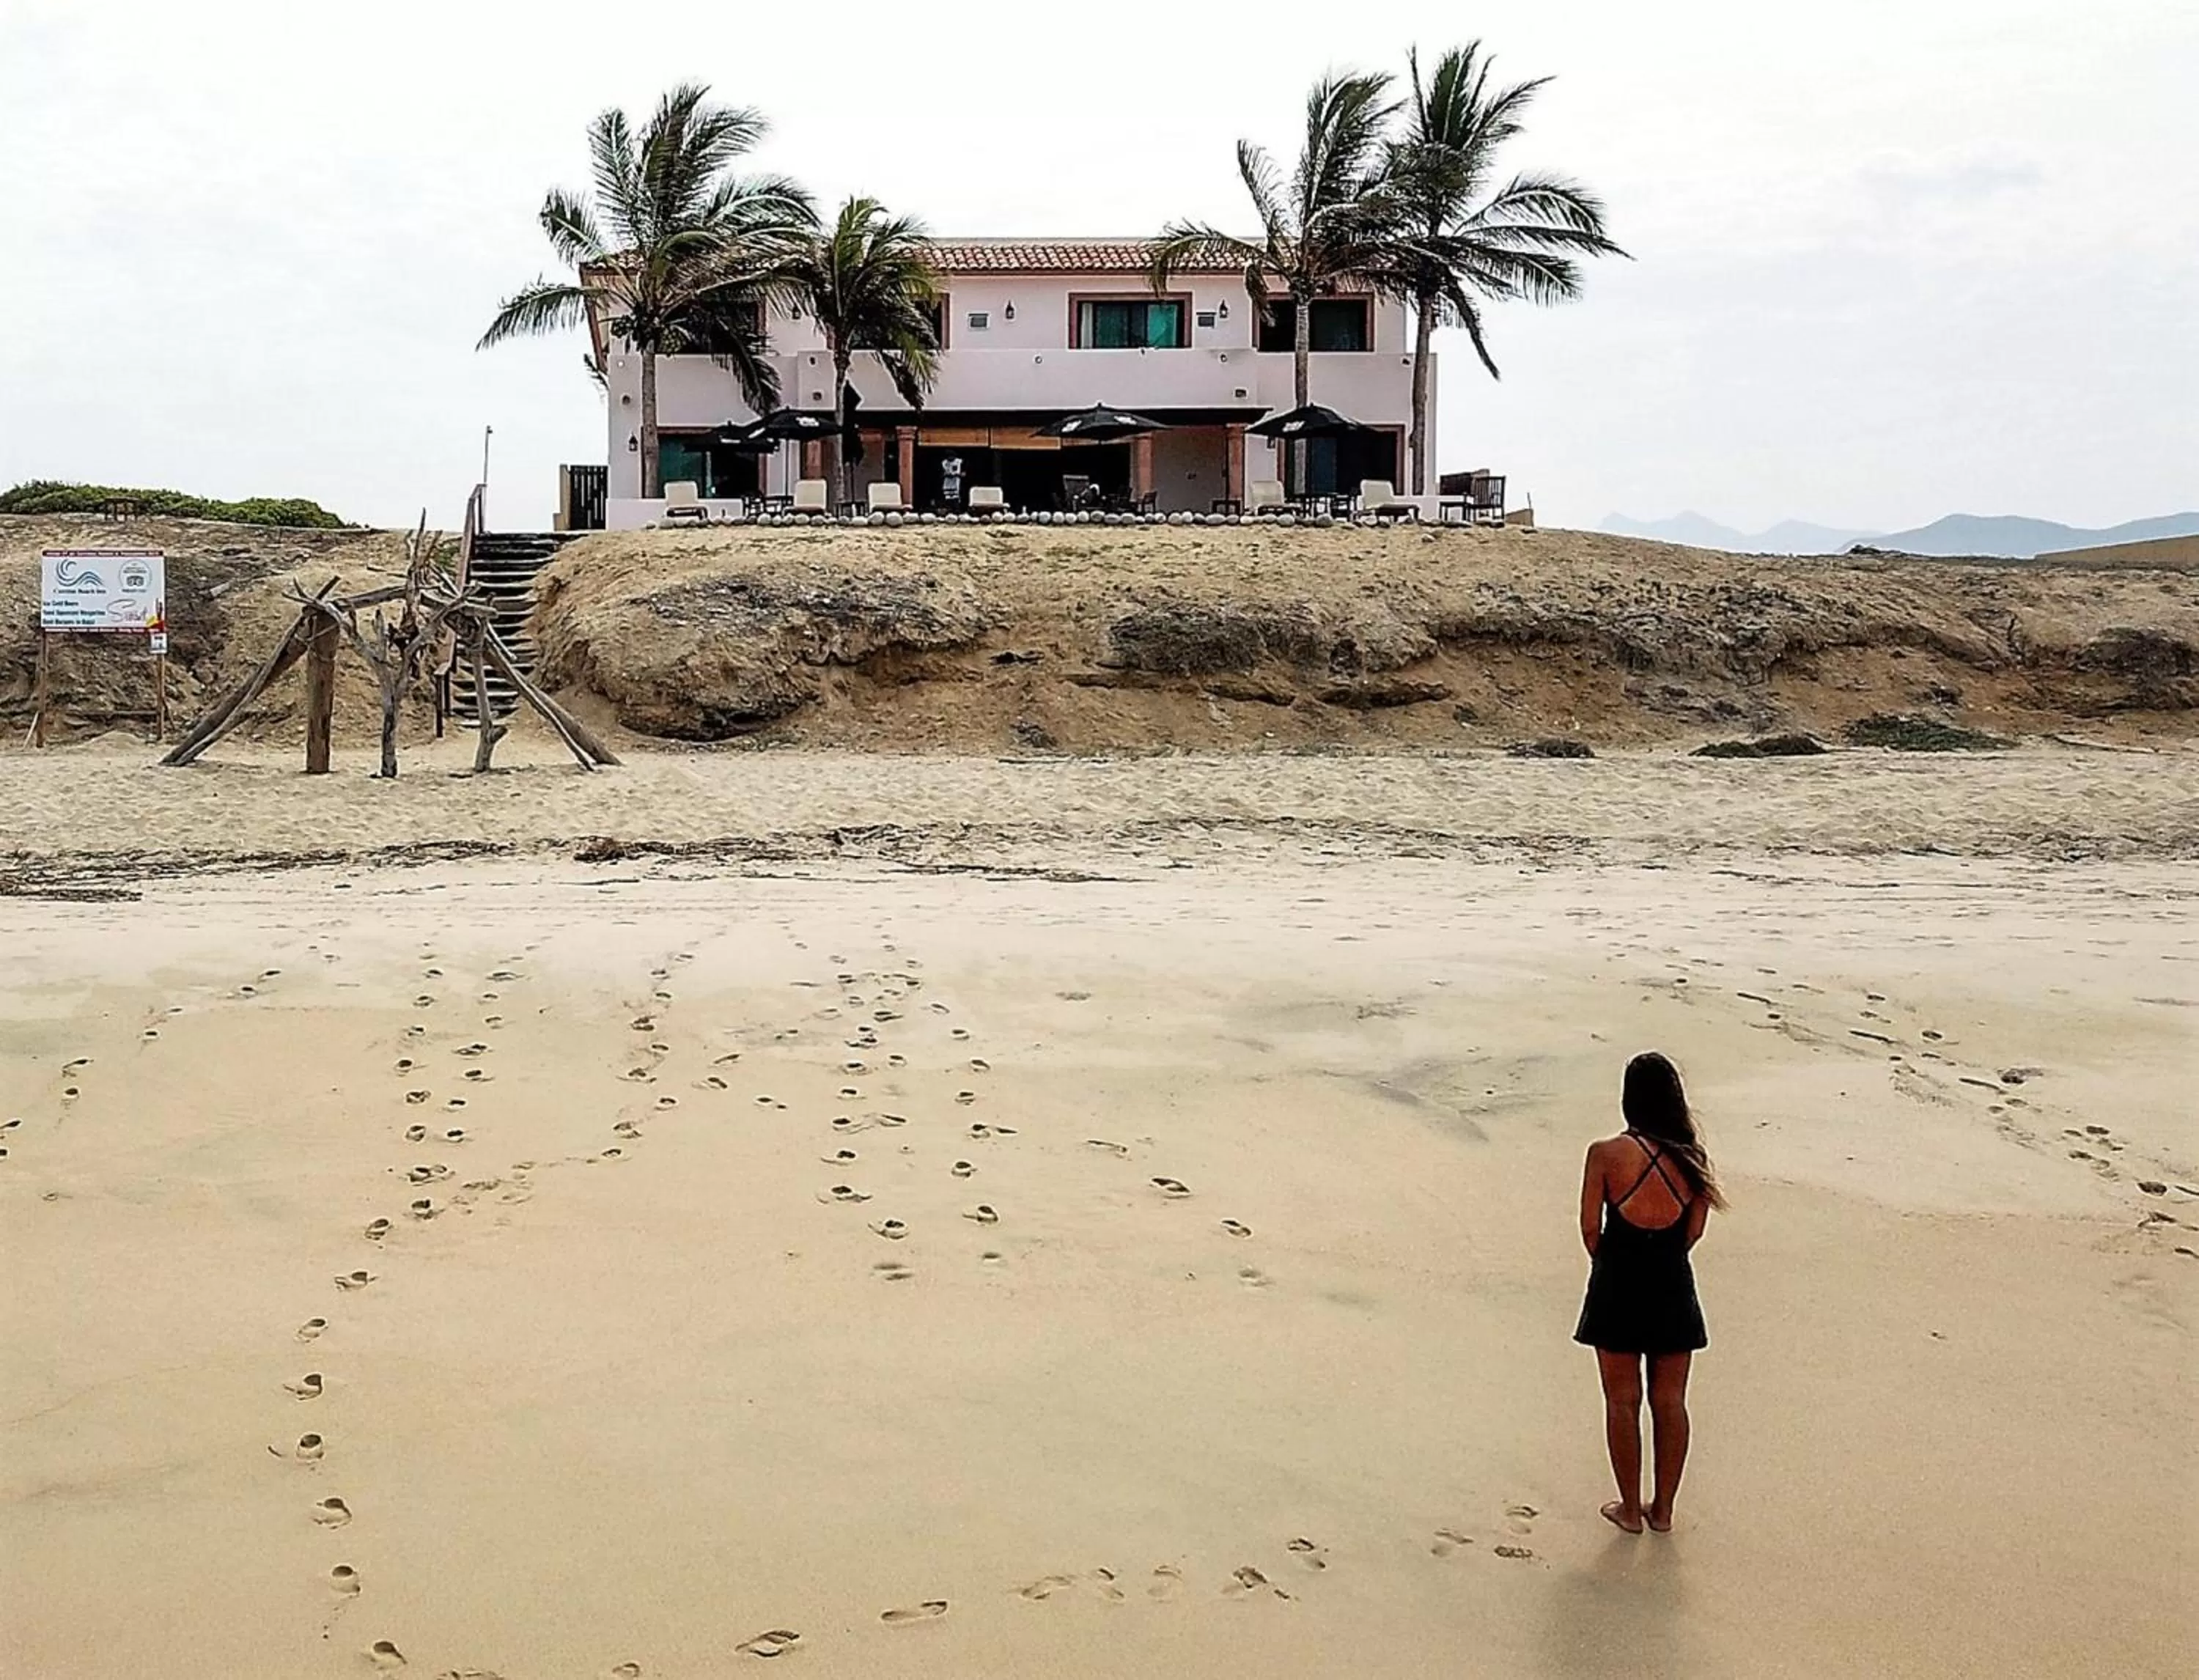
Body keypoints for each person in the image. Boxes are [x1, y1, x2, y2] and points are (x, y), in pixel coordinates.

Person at [1574, 1051, 1725, 1533]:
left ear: (1629, 1099)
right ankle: (1663, 1511)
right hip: (1672, 1282)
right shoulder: (1692, 1159)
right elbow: (1694, 1231)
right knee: (1670, 1401)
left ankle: (1629, 1509)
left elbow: (1590, 1229)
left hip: (1617, 1282)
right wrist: (1663, 1260)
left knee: (1622, 1401)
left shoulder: (1605, 1154)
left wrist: (1612, 1265)